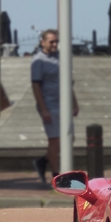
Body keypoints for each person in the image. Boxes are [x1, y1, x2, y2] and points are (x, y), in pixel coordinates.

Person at [31, 29, 79, 184]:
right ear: (42, 42)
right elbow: (36, 86)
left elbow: (68, 82)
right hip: (49, 104)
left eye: (56, 41)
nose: (54, 44)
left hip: (63, 103)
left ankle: (43, 161)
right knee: (55, 140)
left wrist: (74, 102)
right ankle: (56, 175)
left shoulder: (61, 58)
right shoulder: (38, 61)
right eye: (51, 41)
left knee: (68, 138)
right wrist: (43, 108)